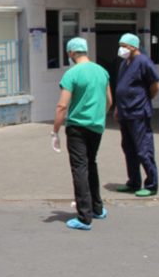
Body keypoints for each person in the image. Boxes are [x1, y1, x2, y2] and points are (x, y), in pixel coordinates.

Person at [51, 38, 112, 231]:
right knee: (91, 164)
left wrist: (55, 130)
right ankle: (97, 208)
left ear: (71, 53)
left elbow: (62, 106)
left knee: (79, 168)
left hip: (77, 127)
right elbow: (109, 101)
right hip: (96, 126)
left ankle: (84, 217)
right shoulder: (102, 71)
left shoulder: (72, 74)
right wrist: (98, 116)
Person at [114, 33, 159, 198]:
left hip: (138, 112)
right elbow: (122, 86)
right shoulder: (124, 63)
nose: (121, 49)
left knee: (143, 149)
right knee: (129, 149)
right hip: (125, 112)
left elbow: (155, 85)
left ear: (133, 46)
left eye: (124, 46)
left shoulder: (143, 62)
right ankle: (133, 181)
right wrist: (118, 108)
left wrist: (144, 99)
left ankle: (152, 184)